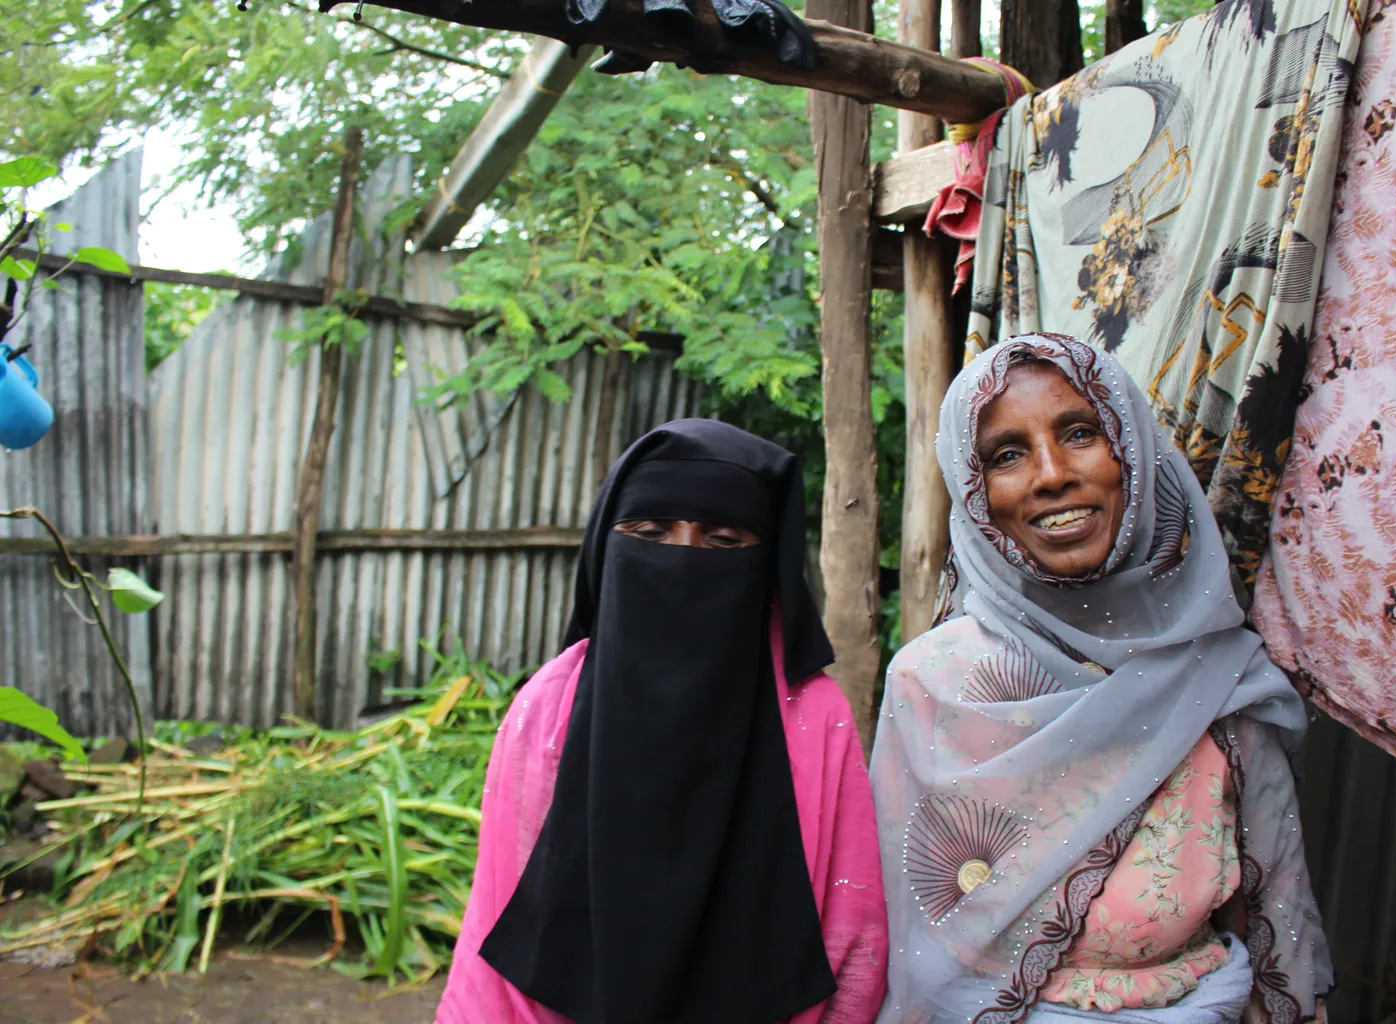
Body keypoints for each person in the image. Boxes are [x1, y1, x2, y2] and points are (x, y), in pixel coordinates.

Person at [871, 335, 1331, 1024]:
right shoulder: (932, 683)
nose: (1051, 474)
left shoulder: (1222, 675)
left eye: (1080, 433)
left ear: (1135, 454)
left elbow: (1279, 909)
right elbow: (898, 930)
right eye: (1006, 454)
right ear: (974, 493)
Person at [437, 419, 889, 1024]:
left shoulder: (812, 718)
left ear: (767, 565)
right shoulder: (549, 706)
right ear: (607, 545)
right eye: (649, 533)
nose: (681, 560)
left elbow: (849, 933)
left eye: (724, 540)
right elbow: (504, 907)